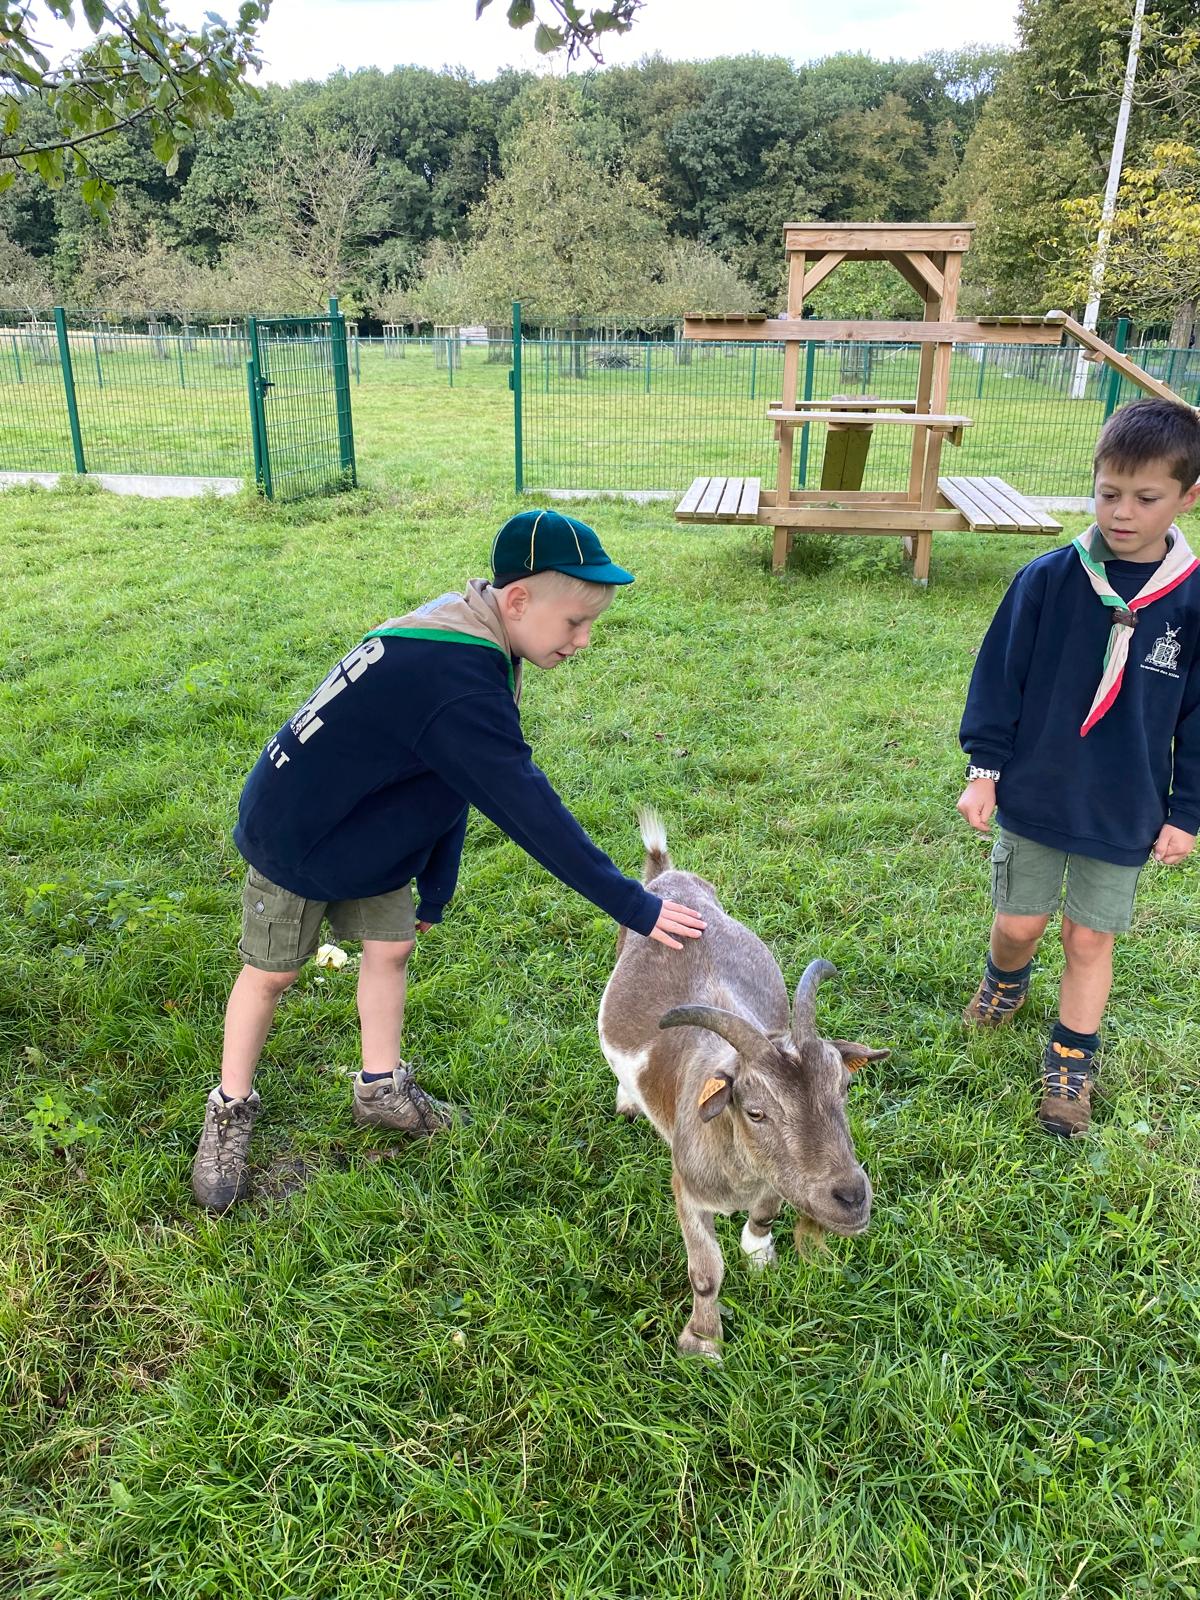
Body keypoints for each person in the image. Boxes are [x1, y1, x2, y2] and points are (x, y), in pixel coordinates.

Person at [191, 508, 705, 1209]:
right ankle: (229, 1107)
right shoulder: (456, 673)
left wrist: (435, 885)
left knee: (392, 948)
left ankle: (380, 1091)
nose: (584, 640)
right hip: (298, 831)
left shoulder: (476, 634)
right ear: (517, 600)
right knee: (272, 974)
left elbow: (451, 775)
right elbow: (528, 809)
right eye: (575, 622)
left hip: (373, 824)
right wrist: (633, 904)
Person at [958, 397, 1200, 1136]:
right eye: (1108, 493)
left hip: (1123, 806)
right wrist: (984, 770)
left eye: (1146, 498)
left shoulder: (1191, 602)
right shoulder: (1048, 579)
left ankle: (1070, 1064)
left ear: (1188, 497)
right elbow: (999, 677)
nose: (1122, 513)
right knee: (1019, 925)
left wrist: (1186, 812)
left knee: (1089, 939)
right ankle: (1005, 980)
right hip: (1036, 791)